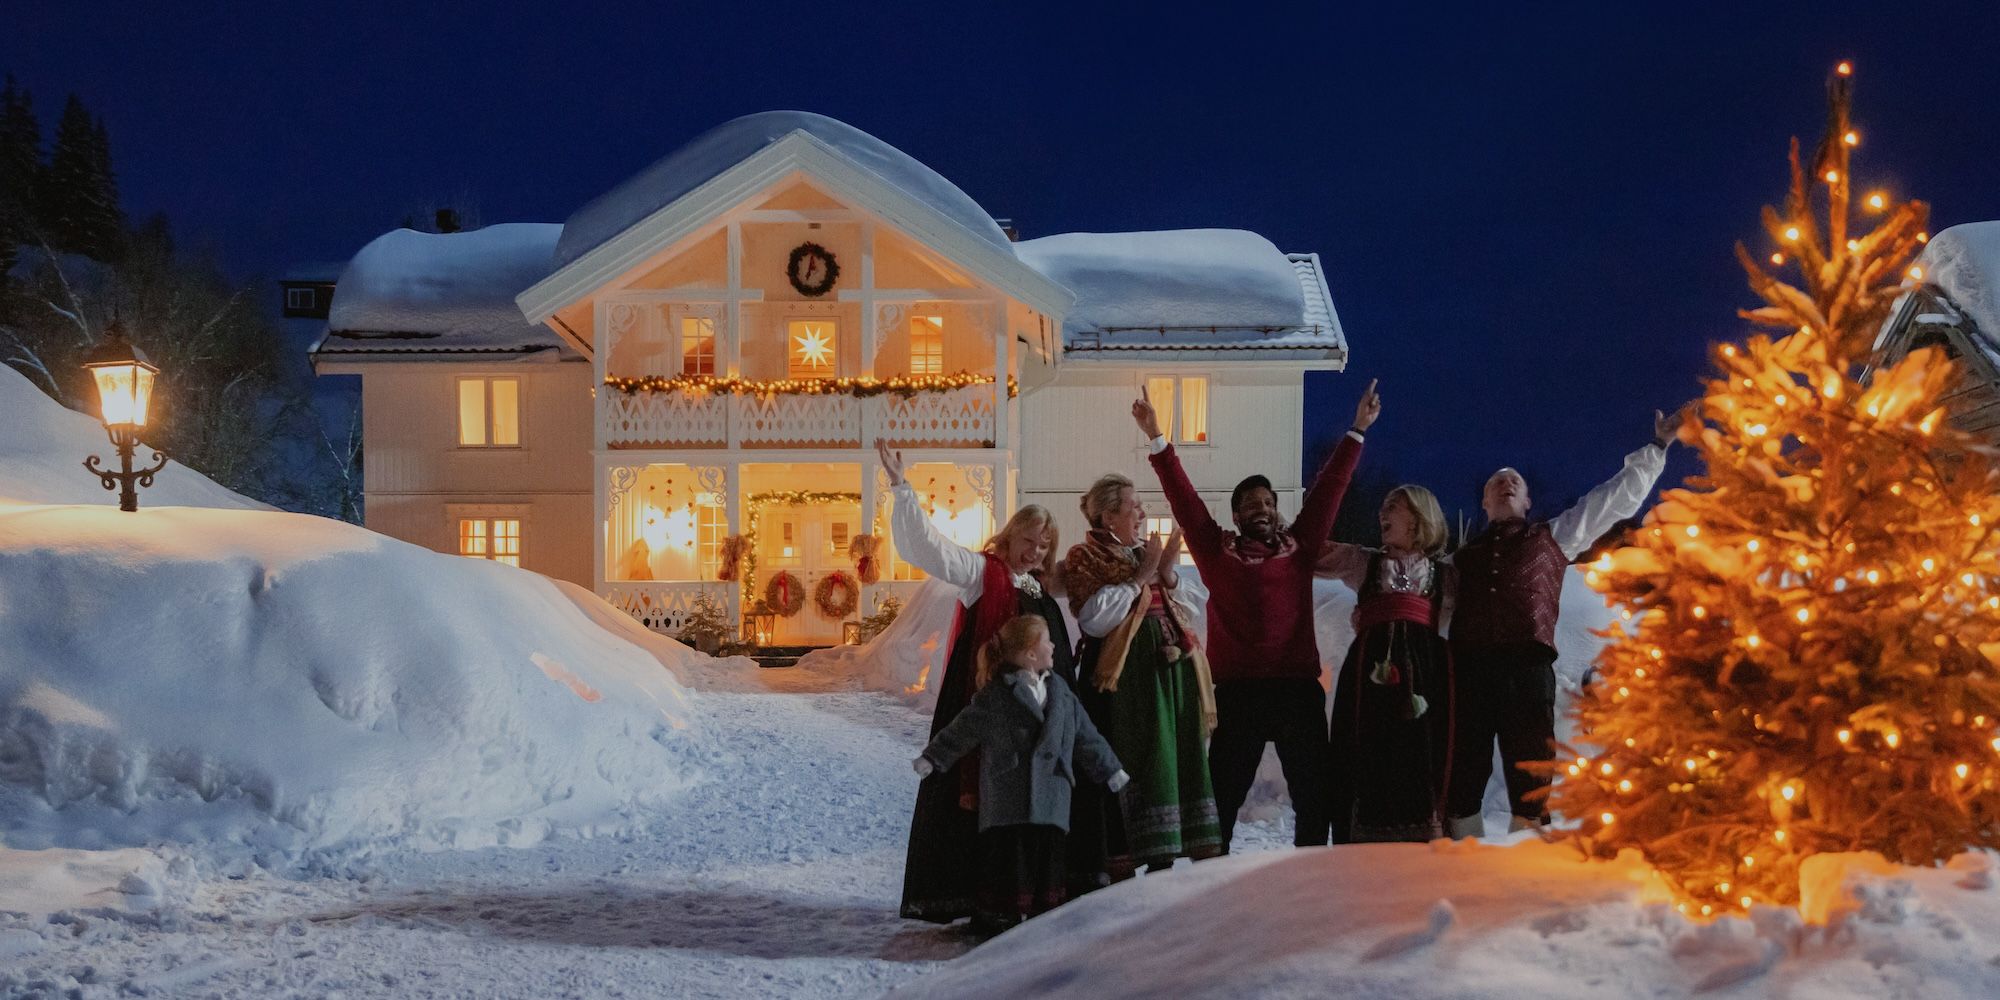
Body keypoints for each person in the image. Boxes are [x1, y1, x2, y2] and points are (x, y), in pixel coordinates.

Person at [1136, 379, 1381, 851]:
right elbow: (1183, 500)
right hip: (1239, 694)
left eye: (1269, 502)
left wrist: (1357, 430)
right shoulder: (1216, 550)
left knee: (1315, 797)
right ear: (1237, 515)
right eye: (1252, 505)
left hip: (1296, 691)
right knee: (1222, 798)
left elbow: (1331, 489)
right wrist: (1157, 437)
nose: (1263, 509)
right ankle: (1211, 880)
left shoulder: (1301, 547)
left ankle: (1307, 877)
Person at [1444, 410, 1678, 839]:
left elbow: (1609, 503)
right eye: (1497, 481)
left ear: (1528, 501)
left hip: (1528, 668)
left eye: (1515, 481)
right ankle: (1461, 855)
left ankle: (1527, 854)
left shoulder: (1552, 538)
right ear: (1484, 501)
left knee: (1532, 766)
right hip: (1471, 669)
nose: (1506, 484)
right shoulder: (1461, 560)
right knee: (1464, 764)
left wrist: (1656, 448)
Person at [880, 439, 1077, 923]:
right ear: (1008, 538)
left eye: (1044, 544)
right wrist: (902, 489)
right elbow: (930, 548)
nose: (1036, 550)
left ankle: (1030, 898)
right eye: (1029, 540)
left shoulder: (1042, 589)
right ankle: (986, 902)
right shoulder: (980, 573)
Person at [914, 615, 1129, 935]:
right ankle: (1002, 915)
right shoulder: (997, 695)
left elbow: (1087, 736)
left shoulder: (1061, 692)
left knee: (1048, 857)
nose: (1054, 645)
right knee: (1010, 860)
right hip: (1009, 796)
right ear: (1030, 653)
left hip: (1053, 795)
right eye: (1046, 642)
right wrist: (934, 757)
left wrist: (1109, 768)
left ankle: (1045, 912)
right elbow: (963, 730)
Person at [1062, 477, 1218, 875]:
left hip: (1167, 677)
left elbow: (1188, 606)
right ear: (1108, 515)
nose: (1142, 513)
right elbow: (1095, 620)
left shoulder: (1137, 553)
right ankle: (1125, 858)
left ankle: (1167, 851)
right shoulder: (1087, 555)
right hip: (1125, 683)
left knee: (1170, 758)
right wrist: (1142, 574)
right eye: (1134, 506)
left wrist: (1165, 574)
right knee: (1138, 760)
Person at [1316, 485, 1456, 843]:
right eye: (1382, 505)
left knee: (1421, 749)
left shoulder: (1447, 575)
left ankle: (1424, 832)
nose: (1382, 513)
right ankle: (1362, 833)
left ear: (1418, 517)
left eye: (1392, 506)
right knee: (1367, 746)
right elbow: (1310, 551)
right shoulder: (1364, 562)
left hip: (1426, 674)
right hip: (1369, 672)